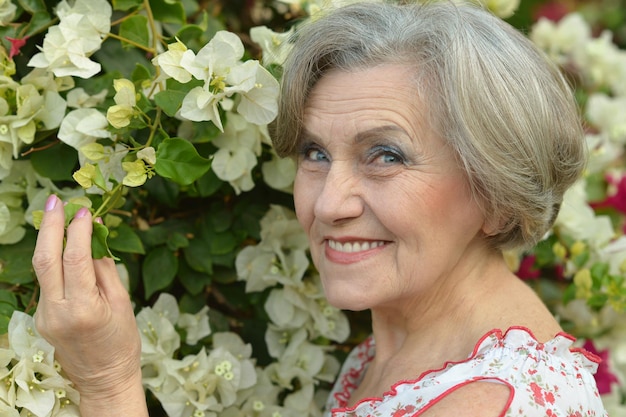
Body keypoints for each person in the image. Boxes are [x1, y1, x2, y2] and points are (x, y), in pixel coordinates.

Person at [33, 1, 608, 416]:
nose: (328, 204)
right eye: (315, 152)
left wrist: (107, 382)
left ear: (496, 191)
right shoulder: (417, 345)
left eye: (385, 155)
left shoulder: (485, 404)